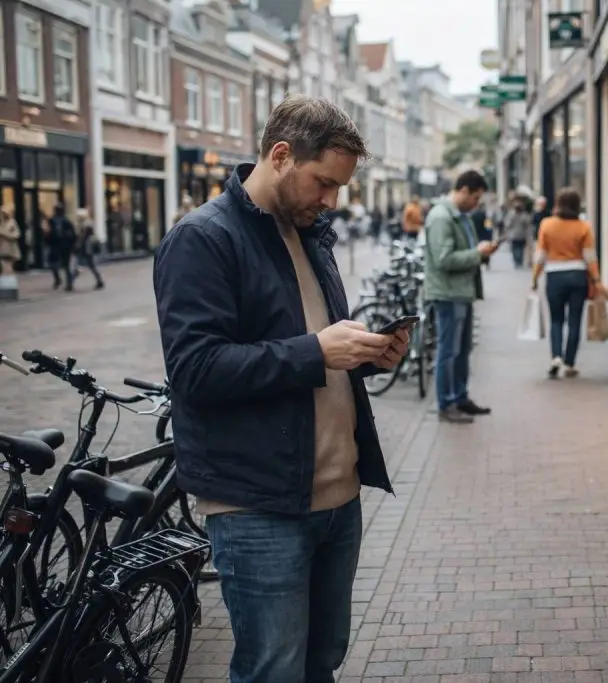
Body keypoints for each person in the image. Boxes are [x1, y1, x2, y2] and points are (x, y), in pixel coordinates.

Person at [152, 95, 410, 683]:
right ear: (281, 154)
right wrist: (317, 351)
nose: (331, 201)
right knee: (273, 670)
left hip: (337, 496)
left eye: (339, 188)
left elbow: (314, 352)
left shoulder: (311, 232)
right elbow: (196, 371)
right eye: (324, 183)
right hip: (259, 504)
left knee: (322, 661)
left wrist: (367, 356)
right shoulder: (202, 239)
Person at [423, 170, 499, 424]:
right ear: (464, 190)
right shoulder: (442, 217)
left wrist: (482, 252)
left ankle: (460, 397)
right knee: (449, 351)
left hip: (461, 292)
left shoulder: (460, 216)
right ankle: (446, 403)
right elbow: (443, 259)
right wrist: (477, 254)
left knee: (462, 349)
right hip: (448, 293)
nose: (477, 203)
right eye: (476, 197)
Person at [532, 188, 604, 379]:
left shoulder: (546, 225)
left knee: (556, 320)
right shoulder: (583, 227)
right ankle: (570, 362)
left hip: (554, 276)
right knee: (574, 320)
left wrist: (534, 277)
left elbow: (540, 256)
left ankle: (556, 356)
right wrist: (596, 279)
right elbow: (590, 257)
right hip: (577, 276)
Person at [46, 204, 77, 291]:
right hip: (64, 245)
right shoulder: (66, 221)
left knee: (53, 262)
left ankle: (58, 279)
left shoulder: (52, 220)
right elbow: (73, 235)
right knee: (65, 265)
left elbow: (48, 233)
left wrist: (48, 241)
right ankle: (68, 283)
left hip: (56, 245)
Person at [74, 209, 104, 289]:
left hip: (86, 249)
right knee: (91, 265)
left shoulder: (85, 225)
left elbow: (82, 238)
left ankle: (71, 281)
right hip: (88, 249)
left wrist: (78, 245)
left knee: (80, 265)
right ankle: (99, 281)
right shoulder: (88, 223)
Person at [505, 197, 532, 269]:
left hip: (515, 235)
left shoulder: (512, 214)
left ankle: (517, 261)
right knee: (519, 248)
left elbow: (507, 224)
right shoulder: (524, 215)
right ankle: (518, 261)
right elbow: (528, 225)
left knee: (516, 248)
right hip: (519, 235)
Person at [0, 206, 20, 275]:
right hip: (2, 246)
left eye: (4, 213)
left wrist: (8, 235)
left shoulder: (12, 222)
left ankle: (9, 281)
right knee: (3, 265)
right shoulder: (1, 224)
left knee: (9, 265)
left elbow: (17, 234)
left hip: (10, 246)